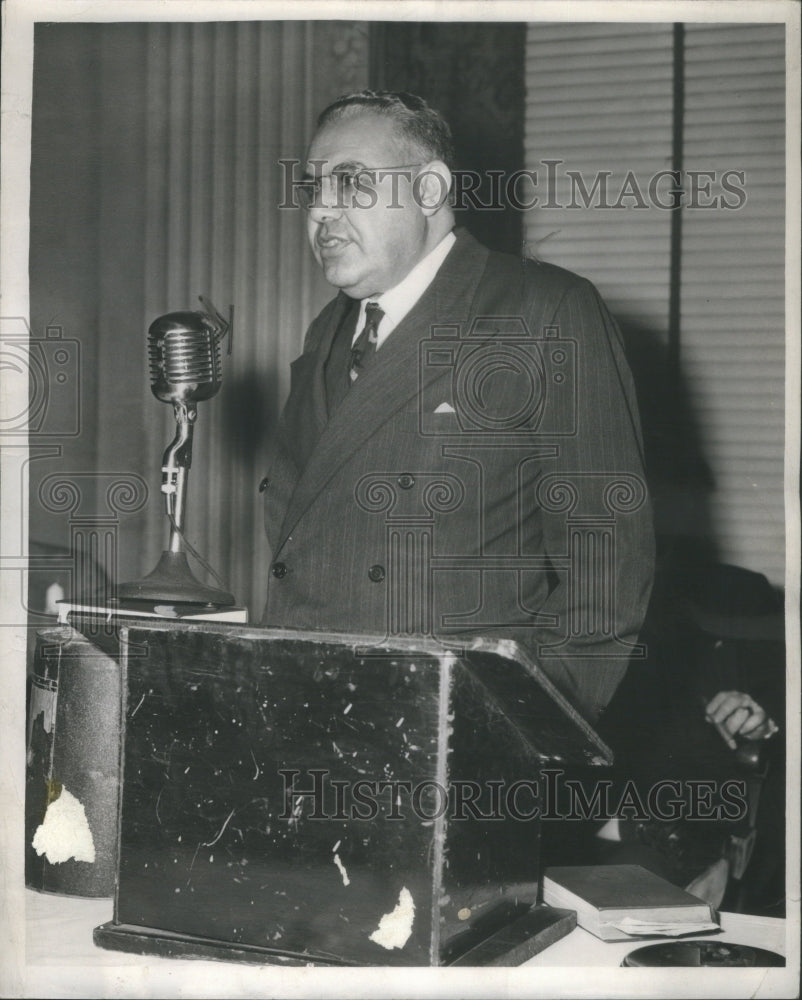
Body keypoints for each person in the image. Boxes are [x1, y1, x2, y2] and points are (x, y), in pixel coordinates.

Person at [260, 90, 654, 723]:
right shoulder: (327, 332)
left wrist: (525, 733)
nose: (321, 212)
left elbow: (605, 564)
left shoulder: (541, 310)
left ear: (429, 190)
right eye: (312, 189)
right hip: (310, 717)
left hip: (453, 736)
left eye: (351, 183)